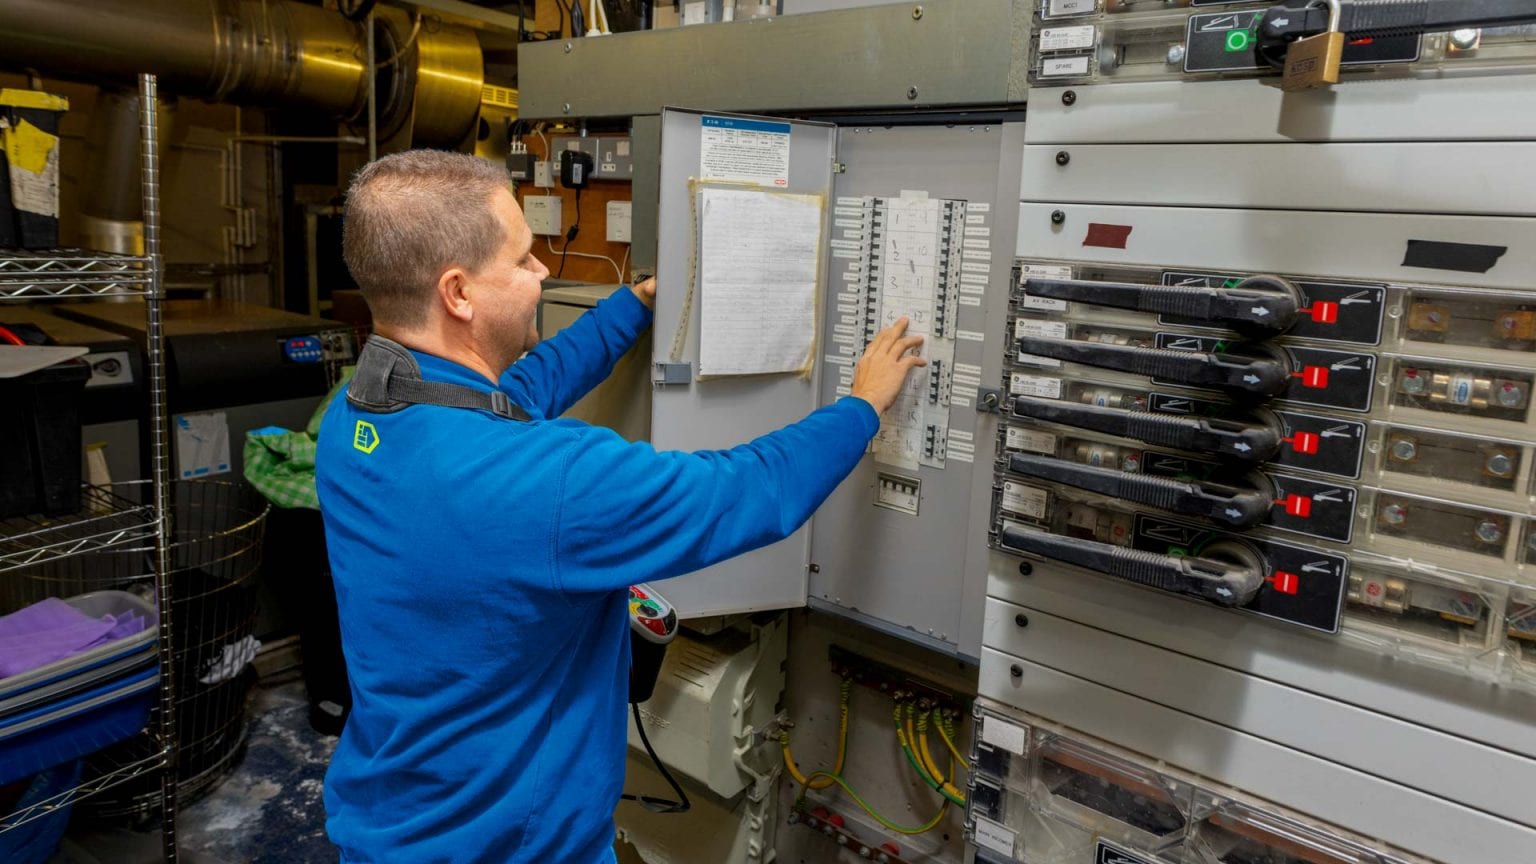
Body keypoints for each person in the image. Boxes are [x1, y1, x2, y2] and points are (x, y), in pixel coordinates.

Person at [315, 149, 926, 864]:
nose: (543, 273)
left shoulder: (355, 415)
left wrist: (632, 305)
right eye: (523, 260)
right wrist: (861, 406)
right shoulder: (550, 483)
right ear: (458, 292)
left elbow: (520, 389)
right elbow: (750, 491)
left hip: (386, 827)